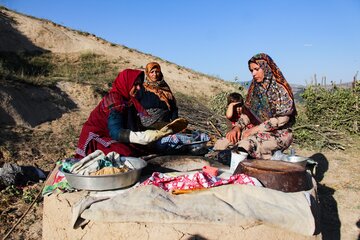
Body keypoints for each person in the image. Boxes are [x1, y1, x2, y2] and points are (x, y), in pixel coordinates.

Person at [75, 69, 173, 159]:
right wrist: (143, 137)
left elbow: (134, 126)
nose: (139, 88)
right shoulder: (114, 100)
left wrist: (159, 131)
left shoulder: (129, 101)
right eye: (135, 84)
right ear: (126, 83)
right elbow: (115, 132)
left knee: (144, 149)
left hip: (113, 135)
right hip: (97, 137)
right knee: (125, 153)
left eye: (140, 84)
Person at [224, 53, 296, 159]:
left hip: (278, 133)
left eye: (257, 69)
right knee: (224, 142)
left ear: (266, 68)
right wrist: (237, 127)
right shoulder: (255, 89)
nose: (253, 73)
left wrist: (254, 130)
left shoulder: (280, 89)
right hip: (254, 130)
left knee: (247, 144)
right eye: (251, 70)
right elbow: (247, 113)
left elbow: (282, 119)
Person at [136, 62, 178, 129]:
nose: (155, 74)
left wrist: (175, 123)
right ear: (147, 73)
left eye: (157, 72)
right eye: (152, 72)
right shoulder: (142, 89)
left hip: (165, 123)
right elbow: (135, 106)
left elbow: (173, 108)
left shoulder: (165, 89)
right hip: (146, 125)